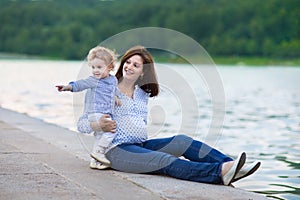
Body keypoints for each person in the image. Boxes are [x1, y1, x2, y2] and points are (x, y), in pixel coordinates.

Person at [77, 45, 261, 185]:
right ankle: (219, 172)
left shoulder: (142, 94)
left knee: (182, 141)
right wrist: (99, 125)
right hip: (116, 151)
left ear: (143, 72)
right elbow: (82, 124)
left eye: (136, 65)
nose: (129, 67)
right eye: (127, 62)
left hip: (140, 146)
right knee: (163, 161)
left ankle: (232, 166)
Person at [57, 46, 120, 166]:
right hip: (97, 112)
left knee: (99, 135)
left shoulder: (113, 80)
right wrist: (68, 87)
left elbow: (113, 90)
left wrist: (116, 97)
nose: (95, 70)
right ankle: (99, 152)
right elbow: (81, 84)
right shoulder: (94, 80)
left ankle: (95, 161)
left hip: (104, 112)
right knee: (111, 131)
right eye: (93, 67)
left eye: (99, 67)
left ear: (110, 67)